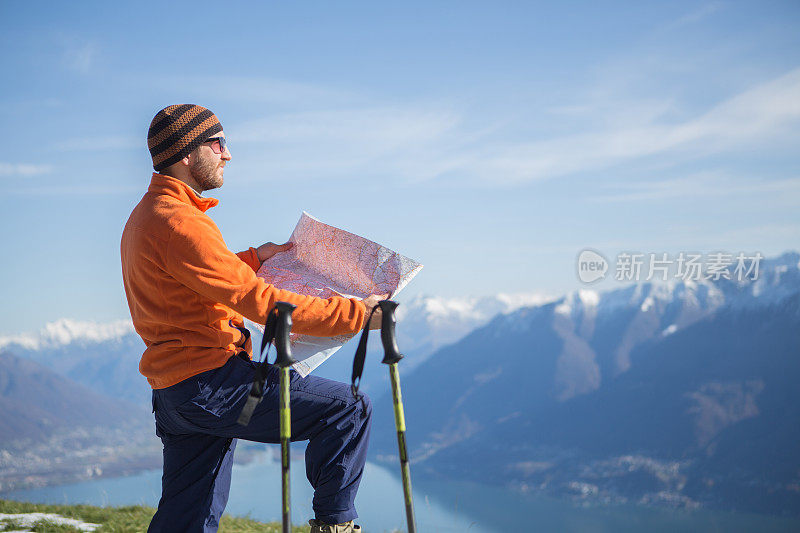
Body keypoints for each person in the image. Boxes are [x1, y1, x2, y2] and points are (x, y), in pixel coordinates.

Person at [121, 104, 385, 533]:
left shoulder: (149, 216)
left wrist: (253, 258)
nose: (227, 154)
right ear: (187, 153)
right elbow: (260, 302)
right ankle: (335, 526)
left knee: (187, 518)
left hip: (177, 392)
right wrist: (358, 313)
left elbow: (194, 279)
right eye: (218, 143)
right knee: (347, 410)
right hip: (212, 385)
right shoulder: (181, 223)